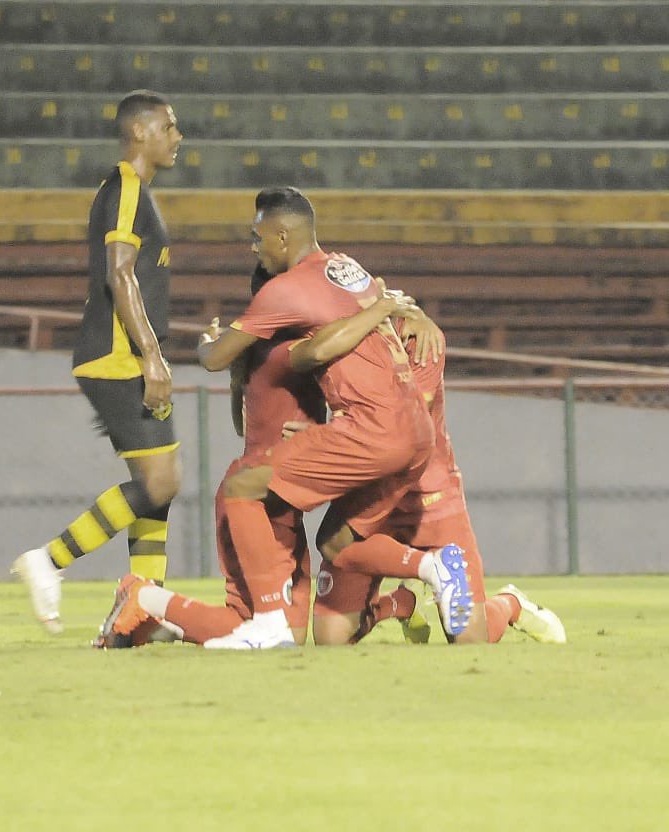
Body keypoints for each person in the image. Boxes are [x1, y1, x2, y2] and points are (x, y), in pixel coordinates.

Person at [193, 187, 472, 649]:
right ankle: (426, 573)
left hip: (372, 429)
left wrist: (208, 342)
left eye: (258, 236)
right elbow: (374, 305)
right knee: (336, 545)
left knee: (242, 486)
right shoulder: (348, 269)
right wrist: (403, 309)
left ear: (282, 236)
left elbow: (216, 358)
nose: (254, 246)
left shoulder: (283, 294)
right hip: (415, 432)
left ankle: (260, 621)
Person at [95, 278, 429, 649]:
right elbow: (322, 352)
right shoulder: (289, 349)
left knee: (283, 634)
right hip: (257, 495)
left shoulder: (255, 349)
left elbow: (242, 416)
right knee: (273, 633)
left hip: (278, 495)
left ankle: (156, 622)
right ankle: (144, 597)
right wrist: (383, 311)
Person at [12, 90, 184, 634]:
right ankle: (49, 560)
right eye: (169, 128)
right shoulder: (126, 190)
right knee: (160, 484)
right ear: (140, 133)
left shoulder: (132, 191)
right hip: (118, 358)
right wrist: (152, 357)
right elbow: (121, 274)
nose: (178, 138)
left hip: (119, 356)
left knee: (155, 486)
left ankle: (145, 608)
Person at [299, 324, 567, 646]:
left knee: (471, 642)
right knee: (332, 641)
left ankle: (510, 605)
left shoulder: (417, 336)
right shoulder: (335, 338)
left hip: (430, 499)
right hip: (367, 500)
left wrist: (321, 440)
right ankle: (402, 602)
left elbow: (401, 427)